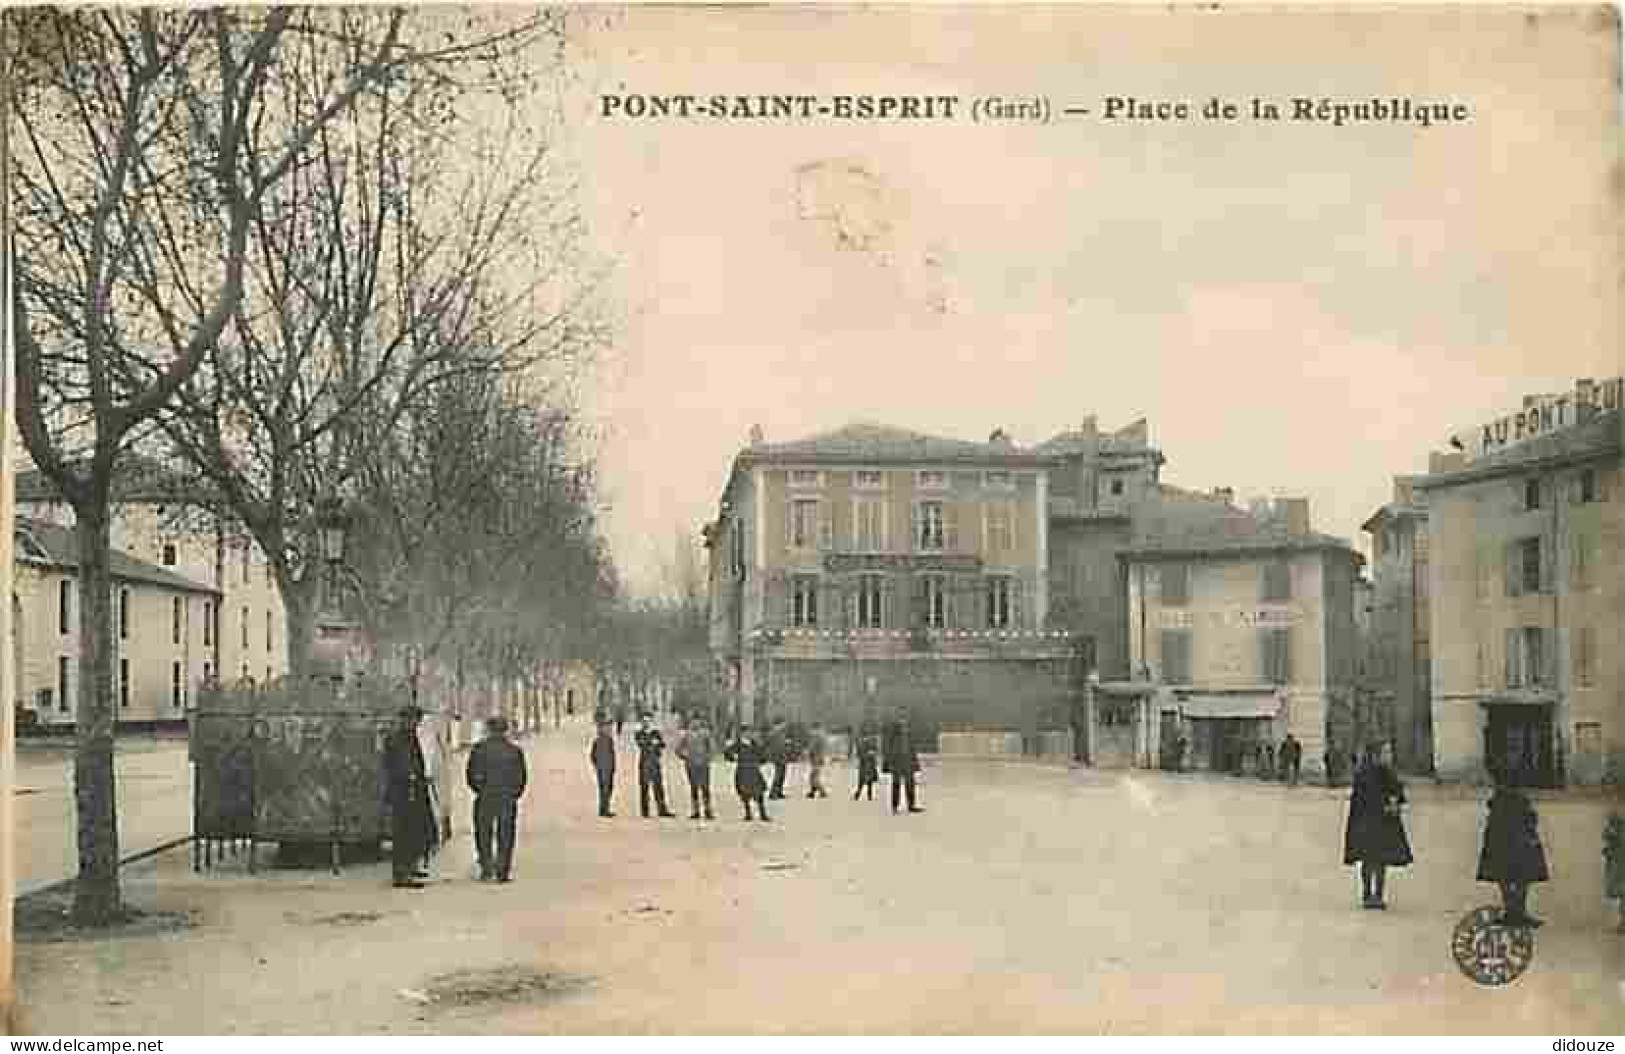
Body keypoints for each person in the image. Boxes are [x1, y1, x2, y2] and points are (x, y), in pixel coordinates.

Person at [1477, 766, 1550, 929]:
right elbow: (1529, 818)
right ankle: (1516, 911)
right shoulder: (1515, 799)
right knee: (1519, 875)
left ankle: (1513, 911)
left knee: (1507, 874)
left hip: (1505, 833)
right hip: (1514, 834)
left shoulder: (1501, 800)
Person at [1342, 742, 1412, 909]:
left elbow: (1398, 792)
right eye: (1386, 752)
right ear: (1375, 755)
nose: (1389, 755)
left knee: (1380, 861)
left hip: (1381, 823)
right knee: (1369, 860)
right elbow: (1360, 800)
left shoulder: (1388, 773)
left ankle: (1378, 895)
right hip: (1367, 823)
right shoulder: (1363, 774)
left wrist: (1396, 800)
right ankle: (1368, 895)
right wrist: (1386, 804)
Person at [466, 715, 527, 882]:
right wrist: (514, 794)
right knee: (506, 835)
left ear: (489, 729)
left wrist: (479, 789)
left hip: (485, 796)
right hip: (507, 798)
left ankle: (486, 867)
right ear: (505, 730)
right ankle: (503, 871)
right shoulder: (514, 751)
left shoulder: (479, 749)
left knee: (483, 833)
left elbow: (470, 775)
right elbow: (521, 777)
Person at [383, 705, 433, 889]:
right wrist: (411, 778)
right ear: (405, 719)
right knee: (403, 833)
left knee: (414, 831)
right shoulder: (397, 739)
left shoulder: (409, 737)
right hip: (404, 791)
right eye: (414, 720)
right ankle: (401, 874)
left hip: (412, 790)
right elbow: (402, 765)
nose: (416, 724)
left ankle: (410, 867)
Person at [724, 725, 771, 821]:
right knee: (744, 793)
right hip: (743, 770)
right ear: (742, 733)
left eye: (749, 732)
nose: (748, 734)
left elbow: (762, 753)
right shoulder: (738, 744)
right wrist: (733, 758)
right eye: (746, 732)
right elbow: (727, 752)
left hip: (753, 769)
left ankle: (763, 814)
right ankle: (748, 814)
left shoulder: (754, 743)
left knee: (759, 793)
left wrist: (762, 760)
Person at [634, 713, 677, 819]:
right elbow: (641, 744)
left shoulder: (655, 732)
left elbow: (662, 744)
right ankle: (645, 811)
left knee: (659, 787)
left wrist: (656, 743)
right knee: (644, 787)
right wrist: (653, 743)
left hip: (655, 762)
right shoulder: (639, 733)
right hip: (644, 763)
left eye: (648, 721)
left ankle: (662, 809)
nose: (646, 723)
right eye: (644, 721)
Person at [676, 717, 716, 820]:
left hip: (703, 765)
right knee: (693, 787)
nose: (695, 724)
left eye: (697, 722)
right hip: (691, 765)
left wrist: (707, 758)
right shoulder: (686, 735)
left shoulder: (706, 734)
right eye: (693, 722)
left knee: (705, 787)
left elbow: (712, 748)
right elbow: (678, 749)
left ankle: (708, 810)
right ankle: (695, 810)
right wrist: (685, 757)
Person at [882, 715, 923, 814]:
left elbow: (913, 751)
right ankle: (895, 806)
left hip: (908, 763)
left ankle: (911, 805)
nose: (904, 726)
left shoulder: (909, 736)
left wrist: (915, 764)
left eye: (905, 724)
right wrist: (888, 763)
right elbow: (888, 750)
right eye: (902, 724)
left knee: (910, 785)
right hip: (897, 763)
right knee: (896, 784)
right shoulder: (893, 737)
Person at [590, 722, 617, 818]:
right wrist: (597, 766)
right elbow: (592, 755)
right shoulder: (597, 741)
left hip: (609, 769)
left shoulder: (610, 740)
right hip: (602, 769)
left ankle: (604, 809)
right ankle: (604, 810)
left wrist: (613, 766)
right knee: (604, 790)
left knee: (608, 789)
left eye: (609, 728)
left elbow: (612, 754)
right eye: (606, 728)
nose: (609, 730)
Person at [767, 718, 791, 800]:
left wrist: (786, 744)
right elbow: (774, 746)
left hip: (782, 756)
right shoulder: (774, 733)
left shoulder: (781, 733)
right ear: (779, 724)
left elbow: (782, 745)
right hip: (778, 757)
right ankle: (773, 793)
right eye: (783, 724)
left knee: (782, 775)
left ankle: (778, 792)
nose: (784, 726)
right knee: (778, 775)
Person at [805, 723, 829, 799]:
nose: (810, 731)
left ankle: (822, 792)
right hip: (819, 758)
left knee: (813, 777)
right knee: (814, 776)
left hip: (816, 758)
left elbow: (812, 746)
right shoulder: (822, 735)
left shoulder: (817, 736)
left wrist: (807, 752)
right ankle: (812, 792)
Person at [854, 730, 880, 800]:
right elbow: (859, 753)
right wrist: (868, 754)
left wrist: (873, 754)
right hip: (865, 763)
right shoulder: (861, 742)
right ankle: (858, 794)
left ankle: (868, 795)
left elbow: (876, 750)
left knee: (868, 781)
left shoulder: (871, 741)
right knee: (862, 780)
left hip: (869, 763)